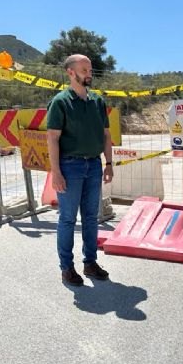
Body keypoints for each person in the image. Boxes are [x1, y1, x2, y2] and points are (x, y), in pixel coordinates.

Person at [46, 54, 113, 286]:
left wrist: (109, 163)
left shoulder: (98, 101)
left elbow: (106, 135)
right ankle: (66, 268)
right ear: (70, 73)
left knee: (91, 218)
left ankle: (90, 263)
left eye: (90, 69)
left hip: (94, 165)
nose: (88, 73)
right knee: (67, 219)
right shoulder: (61, 102)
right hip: (70, 166)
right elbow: (52, 139)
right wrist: (56, 173)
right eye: (84, 69)